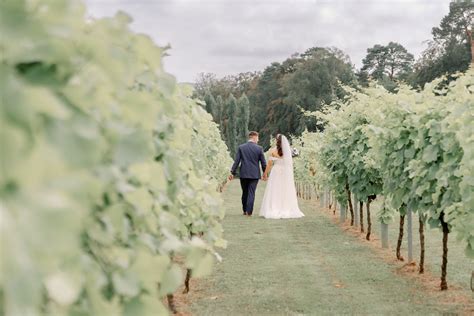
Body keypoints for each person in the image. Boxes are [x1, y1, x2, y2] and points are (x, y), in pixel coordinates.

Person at [259, 134, 304, 219]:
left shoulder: (273, 151)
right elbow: (289, 163)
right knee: (285, 189)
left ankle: (274, 207)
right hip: (286, 172)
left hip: (276, 172)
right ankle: (286, 208)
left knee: (275, 189)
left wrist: (265, 174)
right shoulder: (288, 151)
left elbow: (269, 164)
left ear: (277, 141)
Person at [229, 131, 267, 216]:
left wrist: (232, 172)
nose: (258, 140)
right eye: (257, 138)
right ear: (254, 137)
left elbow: (237, 161)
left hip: (244, 173)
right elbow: (263, 163)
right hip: (254, 174)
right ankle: (249, 211)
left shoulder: (241, 147)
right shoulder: (259, 148)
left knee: (245, 192)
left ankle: (244, 210)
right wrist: (265, 173)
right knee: (251, 192)